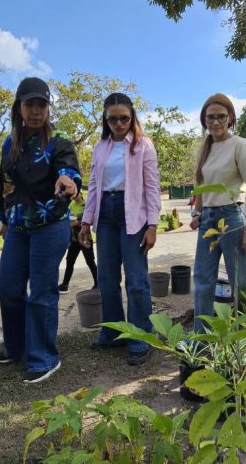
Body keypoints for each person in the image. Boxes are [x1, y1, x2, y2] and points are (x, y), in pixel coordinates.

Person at [0, 77, 81, 384]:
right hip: (18, 226)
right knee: (8, 288)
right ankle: (16, 347)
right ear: (19, 107)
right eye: (30, 104)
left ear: (47, 108)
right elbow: (5, 184)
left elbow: (68, 169)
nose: (36, 111)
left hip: (50, 225)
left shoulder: (59, 140)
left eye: (41, 105)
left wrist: (68, 182)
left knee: (41, 293)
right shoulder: (9, 143)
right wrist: (4, 218)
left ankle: (43, 357)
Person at [79, 93, 161, 365]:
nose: (118, 123)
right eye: (112, 118)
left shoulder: (143, 145)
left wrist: (153, 225)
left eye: (124, 118)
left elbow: (152, 187)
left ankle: (140, 335)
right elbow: (93, 186)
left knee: (137, 280)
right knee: (106, 279)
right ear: (105, 119)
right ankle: (113, 331)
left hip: (133, 215)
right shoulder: (100, 146)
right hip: (106, 215)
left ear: (132, 117)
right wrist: (86, 220)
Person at [190, 93, 246, 333]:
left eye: (221, 116)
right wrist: (196, 214)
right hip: (208, 220)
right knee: (202, 281)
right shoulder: (205, 149)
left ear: (230, 119)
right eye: (210, 117)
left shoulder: (240, 145)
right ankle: (201, 339)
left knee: (241, 282)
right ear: (204, 120)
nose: (215, 121)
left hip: (233, 218)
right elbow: (200, 184)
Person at [58, 192, 98, 293]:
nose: (74, 197)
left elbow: (91, 219)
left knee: (90, 261)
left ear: (80, 194)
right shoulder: (71, 204)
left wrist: (78, 222)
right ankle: (65, 284)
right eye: (72, 196)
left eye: (75, 195)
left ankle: (98, 283)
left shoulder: (85, 205)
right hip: (74, 239)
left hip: (85, 237)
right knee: (70, 260)